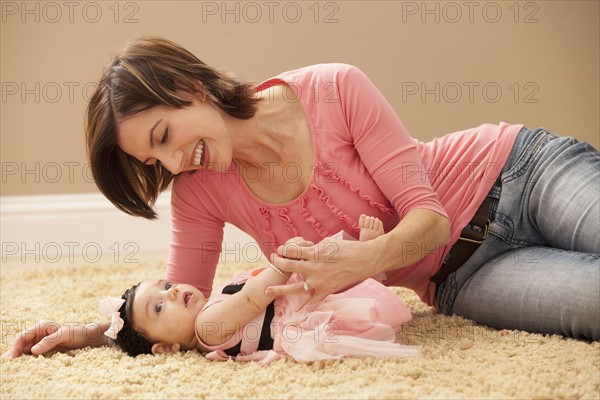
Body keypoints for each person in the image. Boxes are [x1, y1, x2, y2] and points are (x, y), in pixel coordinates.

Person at [4, 35, 599, 359]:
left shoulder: (334, 88)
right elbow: (188, 309)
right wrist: (94, 331)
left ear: (188, 86)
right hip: (462, 279)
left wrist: (369, 259)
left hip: (518, 171)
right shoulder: (199, 195)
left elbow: (431, 219)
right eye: (153, 161)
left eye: (164, 136)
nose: (173, 162)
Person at [98, 215, 420, 362]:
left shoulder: (210, 306)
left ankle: (364, 263)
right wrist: (282, 265)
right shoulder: (206, 328)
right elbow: (253, 298)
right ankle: (369, 271)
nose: (171, 292)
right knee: (328, 300)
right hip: (289, 320)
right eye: (158, 308)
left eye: (166, 285)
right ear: (166, 348)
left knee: (321, 282)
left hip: (287, 301)